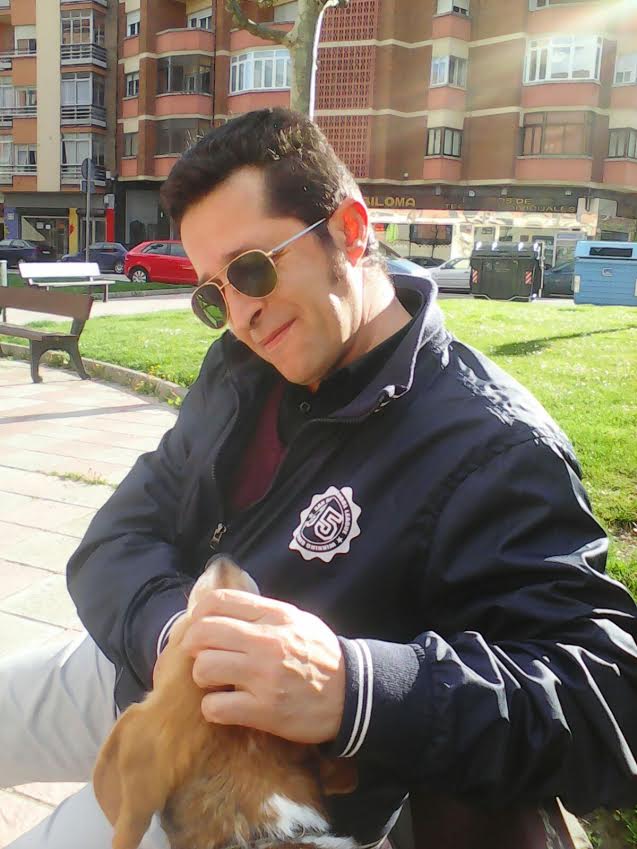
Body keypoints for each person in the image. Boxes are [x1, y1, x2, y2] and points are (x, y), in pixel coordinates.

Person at [1, 108, 636, 849]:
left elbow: (608, 700)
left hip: (249, 791)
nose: (241, 315)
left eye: (251, 269)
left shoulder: (491, 443)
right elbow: (117, 534)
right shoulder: (239, 370)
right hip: (141, 668)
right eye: (214, 294)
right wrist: (170, 633)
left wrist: (354, 687)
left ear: (351, 231)